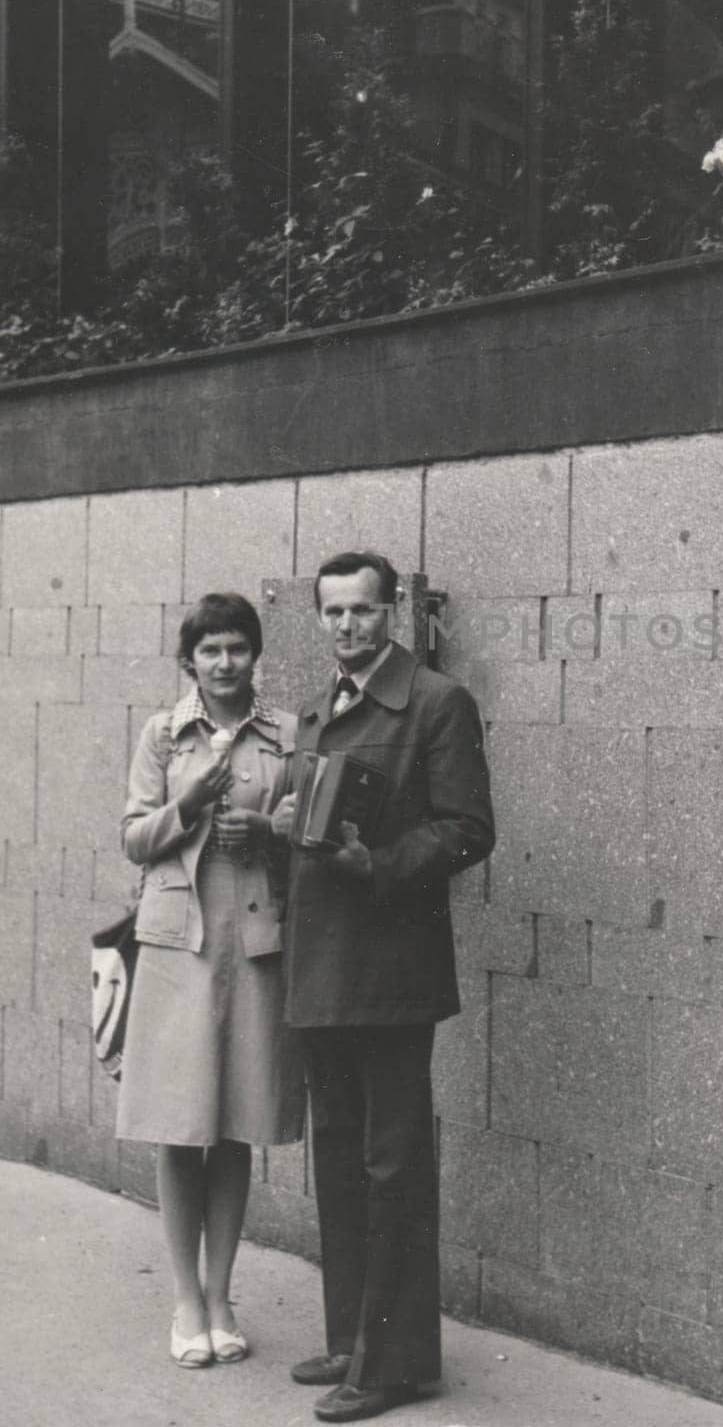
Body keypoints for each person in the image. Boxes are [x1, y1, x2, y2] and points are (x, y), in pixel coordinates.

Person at [272, 550, 494, 1424]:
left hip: (392, 973)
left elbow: (470, 828)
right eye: (332, 613)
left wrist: (383, 862)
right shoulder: (317, 707)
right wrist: (283, 826)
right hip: (323, 967)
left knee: (393, 1164)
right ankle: (352, 1337)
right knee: (338, 1156)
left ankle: (396, 1362)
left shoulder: (438, 702)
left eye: (362, 612)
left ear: (393, 611)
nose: (346, 627)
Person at [116, 592, 305, 1369]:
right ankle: (185, 1301)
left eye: (237, 648)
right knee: (179, 1121)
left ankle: (222, 1295)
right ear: (188, 660)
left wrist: (266, 831)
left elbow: (306, 839)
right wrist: (187, 807)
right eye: (210, 651)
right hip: (178, 945)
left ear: (255, 656)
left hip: (253, 942)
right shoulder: (164, 734)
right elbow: (133, 839)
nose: (224, 663)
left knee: (234, 1124)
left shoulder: (289, 734)